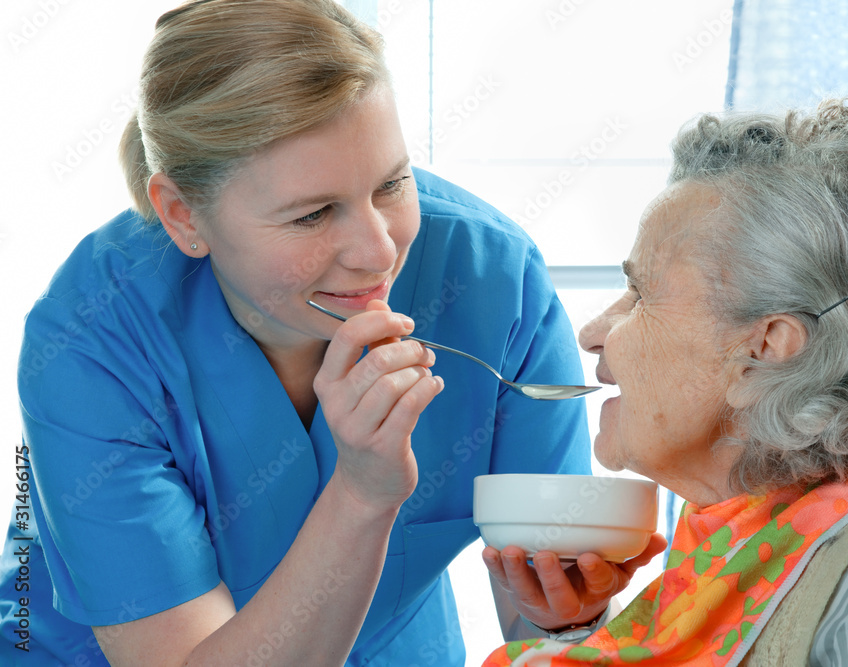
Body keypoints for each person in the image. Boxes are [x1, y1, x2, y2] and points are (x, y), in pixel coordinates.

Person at [0, 1, 662, 664]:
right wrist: (363, 492)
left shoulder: (495, 284)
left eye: (392, 183)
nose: (379, 253)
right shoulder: (90, 342)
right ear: (182, 215)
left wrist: (564, 613)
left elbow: (540, 605)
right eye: (313, 215)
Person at [483, 100, 848, 666]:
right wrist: (574, 627)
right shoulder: (738, 534)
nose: (593, 333)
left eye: (641, 294)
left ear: (765, 349)